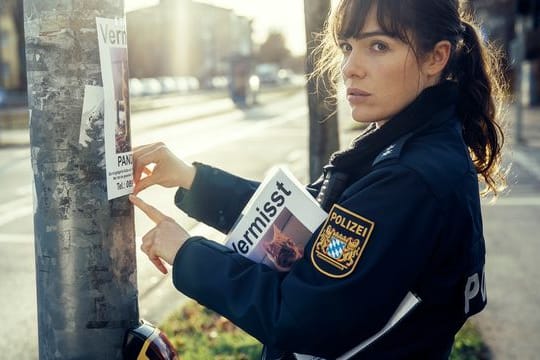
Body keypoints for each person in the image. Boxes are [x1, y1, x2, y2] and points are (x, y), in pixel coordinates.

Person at [129, 0, 508, 358]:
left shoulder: (409, 178)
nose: (350, 68)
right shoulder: (406, 145)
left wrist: (185, 252)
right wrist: (190, 178)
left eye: (378, 46)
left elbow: (296, 314)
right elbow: (303, 218)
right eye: (347, 47)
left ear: (436, 58)